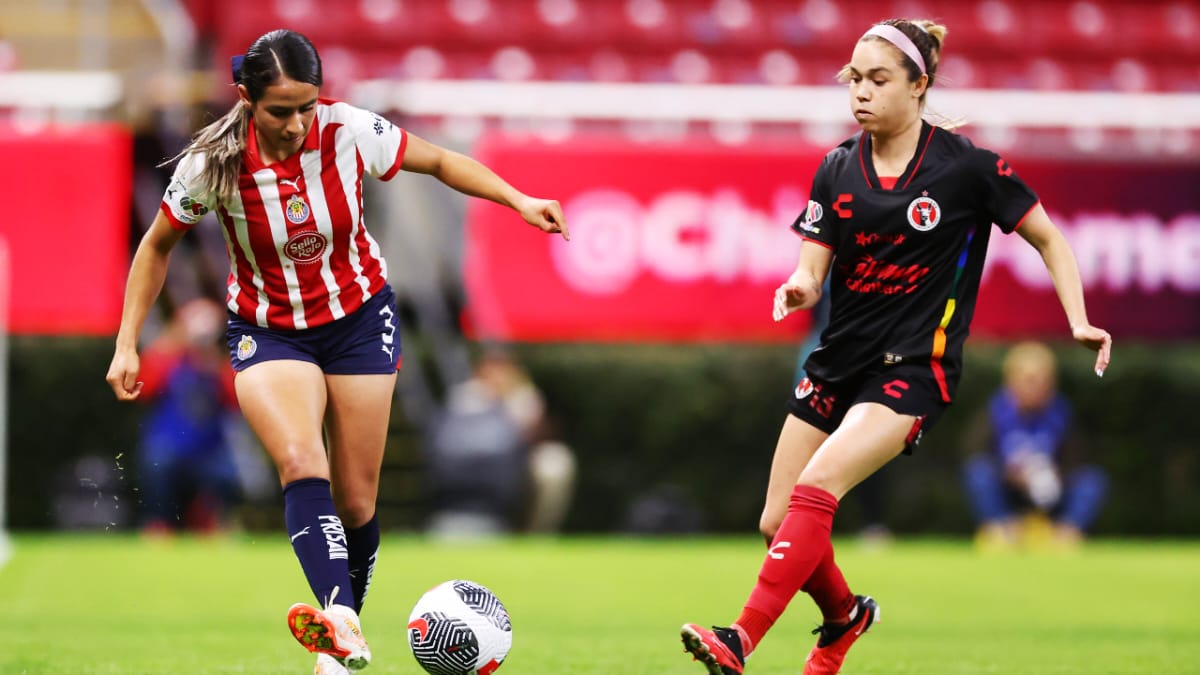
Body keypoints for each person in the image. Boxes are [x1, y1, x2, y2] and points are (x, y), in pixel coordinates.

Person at [105, 29, 568, 675]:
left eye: (307, 106)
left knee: (356, 502)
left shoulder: (349, 130)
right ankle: (340, 619)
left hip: (358, 319)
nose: (297, 123)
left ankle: (336, 651)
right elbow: (156, 245)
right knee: (301, 459)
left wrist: (518, 198)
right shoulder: (211, 164)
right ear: (246, 98)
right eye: (280, 110)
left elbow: (435, 160)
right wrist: (129, 341)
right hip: (269, 329)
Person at [679, 18, 1111, 675]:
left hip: (914, 369)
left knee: (817, 485)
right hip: (837, 363)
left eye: (879, 79)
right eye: (854, 78)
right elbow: (811, 267)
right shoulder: (835, 168)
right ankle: (846, 617)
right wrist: (798, 287)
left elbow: (1049, 237)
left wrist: (1077, 318)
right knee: (776, 521)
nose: (861, 92)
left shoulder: (965, 167)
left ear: (920, 86)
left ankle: (738, 639)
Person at [963, 341, 1108, 550]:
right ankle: (1001, 530)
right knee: (978, 473)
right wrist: (1011, 475)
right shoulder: (993, 414)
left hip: (1052, 489)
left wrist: (1056, 474)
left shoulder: (1062, 414)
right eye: (1028, 380)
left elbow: (1077, 460)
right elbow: (975, 452)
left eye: (1040, 380)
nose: (1034, 387)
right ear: (1010, 380)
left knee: (1092, 481)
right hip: (1010, 489)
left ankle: (1067, 534)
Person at [135, 297, 242, 534]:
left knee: (226, 476)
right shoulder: (167, 358)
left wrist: (214, 364)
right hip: (168, 446)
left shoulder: (219, 365)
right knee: (158, 466)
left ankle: (212, 525)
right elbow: (143, 388)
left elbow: (237, 403)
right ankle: (158, 526)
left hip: (209, 450)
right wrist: (174, 342)